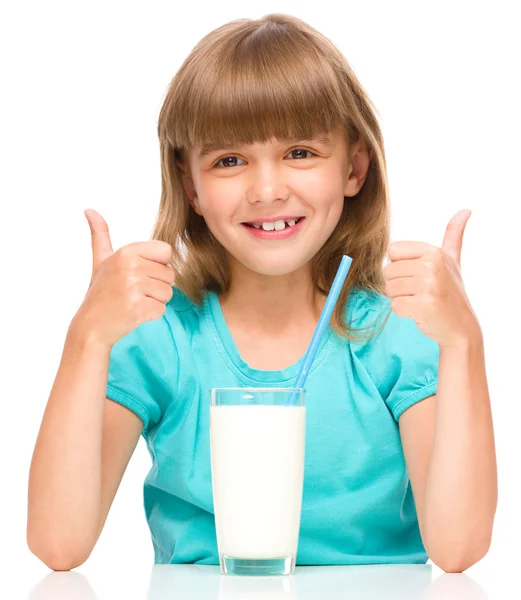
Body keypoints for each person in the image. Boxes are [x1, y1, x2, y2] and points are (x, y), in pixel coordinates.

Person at [27, 13, 497, 573]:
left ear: (354, 168)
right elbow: (59, 544)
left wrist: (463, 342)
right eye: (229, 160)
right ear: (190, 187)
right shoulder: (163, 339)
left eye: (300, 152)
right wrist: (87, 338)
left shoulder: (395, 336)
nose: (268, 189)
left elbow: (459, 546)